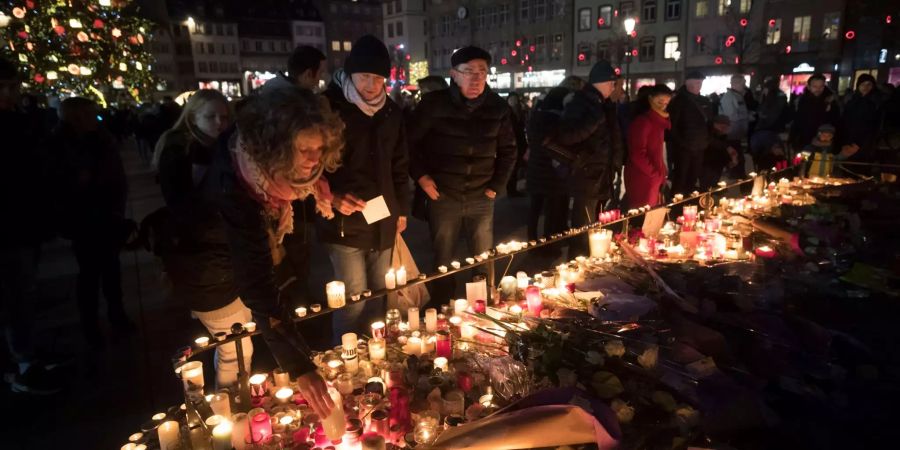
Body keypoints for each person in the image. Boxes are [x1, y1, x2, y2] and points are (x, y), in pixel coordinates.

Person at [205, 86, 341, 418]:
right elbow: (255, 282)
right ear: (277, 145)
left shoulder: (279, 177)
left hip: (254, 262)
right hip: (211, 272)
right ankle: (230, 415)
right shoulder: (237, 185)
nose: (314, 159)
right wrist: (298, 366)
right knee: (235, 348)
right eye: (304, 148)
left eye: (320, 147)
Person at [153, 90, 253, 388]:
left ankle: (234, 403)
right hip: (206, 264)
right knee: (236, 347)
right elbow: (187, 210)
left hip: (226, 260)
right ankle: (232, 406)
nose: (220, 123)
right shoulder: (182, 153)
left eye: (224, 117)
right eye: (210, 116)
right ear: (192, 117)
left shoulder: (221, 149)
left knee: (237, 342)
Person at [319, 35, 410, 342]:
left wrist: (401, 210)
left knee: (380, 295)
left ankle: (376, 355)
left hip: (382, 218)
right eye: (365, 77)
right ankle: (342, 358)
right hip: (345, 221)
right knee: (353, 299)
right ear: (350, 73)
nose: (372, 85)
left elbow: (399, 164)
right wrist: (331, 197)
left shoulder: (391, 112)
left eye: (378, 78)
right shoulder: (328, 109)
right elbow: (310, 165)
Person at [408, 46, 516, 300]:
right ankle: (443, 308)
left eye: (482, 71)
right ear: (453, 75)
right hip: (443, 195)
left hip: (481, 195)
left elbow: (510, 150)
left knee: (482, 257)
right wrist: (422, 177)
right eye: (468, 71)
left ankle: (480, 305)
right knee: (443, 258)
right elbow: (408, 144)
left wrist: (496, 186)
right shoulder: (434, 105)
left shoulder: (497, 107)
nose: (476, 78)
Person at [46, 97, 130, 348]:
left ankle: (117, 314)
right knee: (90, 274)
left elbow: (114, 173)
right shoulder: (61, 144)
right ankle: (91, 324)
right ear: (77, 117)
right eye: (91, 114)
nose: (96, 118)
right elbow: (57, 182)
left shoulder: (101, 138)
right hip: (83, 218)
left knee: (111, 269)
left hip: (106, 213)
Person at [0, 57, 61, 394]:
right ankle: (20, 364)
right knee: (15, 295)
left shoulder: (15, 122)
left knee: (23, 292)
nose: (13, 94)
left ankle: (26, 354)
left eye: (14, 86)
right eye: (5, 88)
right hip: (9, 228)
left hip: (22, 223)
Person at [548, 60, 622, 257]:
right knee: (583, 224)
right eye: (611, 83)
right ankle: (578, 262)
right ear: (602, 82)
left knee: (595, 224)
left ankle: (590, 259)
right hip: (586, 173)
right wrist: (594, 121)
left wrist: (616, 162)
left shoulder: (604, 104)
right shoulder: (581, 103)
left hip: (601, 173)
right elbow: (567, 136)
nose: (614, 87)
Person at [525, 86, 572, 248]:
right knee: (551, 209)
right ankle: (548, 244)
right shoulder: (556, 119)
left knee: (535, 208)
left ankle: (532, 241)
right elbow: (554, 144)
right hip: (550, 171)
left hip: (535, 168)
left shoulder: (535, 116)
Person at [624, 85, 672, 209]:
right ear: (650, 99)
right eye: (660, 101)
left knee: (652, 215)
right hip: (643, 177)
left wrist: (662, 172)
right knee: (643, 216)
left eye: (666, 103)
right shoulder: (644, 121)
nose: (663, 106)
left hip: (653, 176)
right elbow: (637, 153)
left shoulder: (658, 121)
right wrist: (655, 174)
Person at [667, 71, 713, 195]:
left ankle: (689, 205)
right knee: (680, 179)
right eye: (697, 82)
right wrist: (682, 143)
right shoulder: (678, 102)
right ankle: (677, 206)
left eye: (701, 83)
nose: (699, 85)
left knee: (693, 178)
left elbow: (709, 123)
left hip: (699, 146)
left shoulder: (704, 101)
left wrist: (706, 140)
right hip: (684, 149)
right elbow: (672, 127)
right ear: (688, 83)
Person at [788, 74, 840, 152]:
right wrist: (792, 140)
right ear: (809, 87)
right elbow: (797, 121)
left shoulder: (831, 101)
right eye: (815, 86)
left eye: (821, 86)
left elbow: (836, 122)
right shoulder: (802, 101)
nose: (818, 89)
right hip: (804, 142)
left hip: (824, 144)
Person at [838, 74, 883, 163]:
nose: (865, 87)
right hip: (848, 140)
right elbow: (844, 121)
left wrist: (860, 144)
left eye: (869, 84)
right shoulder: (852, 101)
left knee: (861, 167)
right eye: (863, 84)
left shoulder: (876, 103)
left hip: (866, 144)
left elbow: (875, 126)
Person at [750, 77, 789, 160]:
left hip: (769, 129)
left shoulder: (775, 97)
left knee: (769, 153)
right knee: (772, 153)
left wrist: (761, 116)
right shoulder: (779, 96)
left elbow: (771, 113)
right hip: (773, 128)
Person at [262, 45, 326, 93]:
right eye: (320, 73)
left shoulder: (273, 87)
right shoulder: (297, 104)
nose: (320, 79)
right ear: (308, 74)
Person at [700, 115, 739, 190]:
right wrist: (727, 148)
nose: (724, 130)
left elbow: (724, 148)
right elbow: (710, 142)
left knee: (712, 185)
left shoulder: (721, 134)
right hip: (706, 162)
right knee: (706, 185)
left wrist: (730, 160)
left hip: (716, 164)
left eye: (726, 128)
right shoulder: (706, 130)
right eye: (723, 127)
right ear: (716, 124)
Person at [506, 91, 528, 197]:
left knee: (516, 166)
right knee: (512, 168)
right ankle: (511, 190)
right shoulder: (507, 112)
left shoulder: (520, 111)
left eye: (515, 99)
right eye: (512, 99)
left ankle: (512, 188)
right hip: (511, 143)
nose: (514, 101)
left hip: (519, 142)